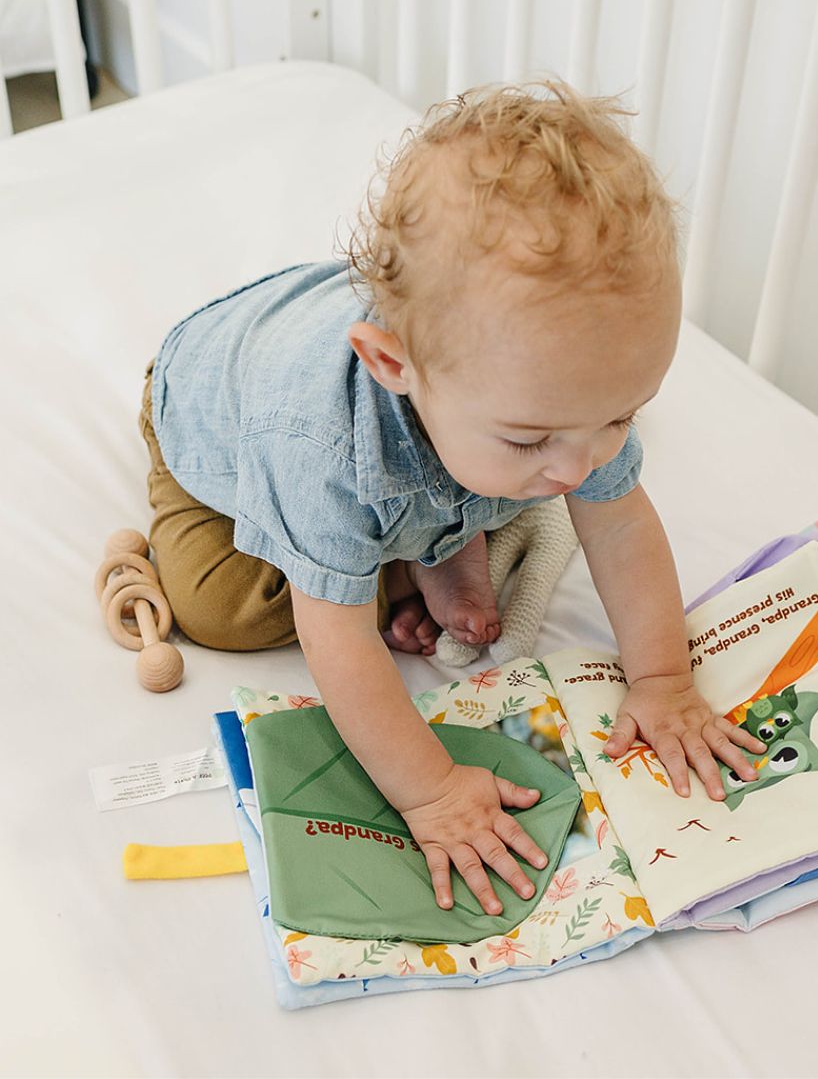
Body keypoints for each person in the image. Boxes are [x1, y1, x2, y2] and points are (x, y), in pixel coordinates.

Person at [139, 80, 766, 918]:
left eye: (621, 415)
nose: (580, 468)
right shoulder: (323, 450)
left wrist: (663, 680)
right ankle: (418, 550)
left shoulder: (554, 412)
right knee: (222, 607)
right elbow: (341, 648)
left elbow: (618, 524)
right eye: (531, 433)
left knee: (516, 475)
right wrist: (430, 792)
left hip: (422, 414)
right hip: (211, 420)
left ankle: (439, 532)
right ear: (396, 366)